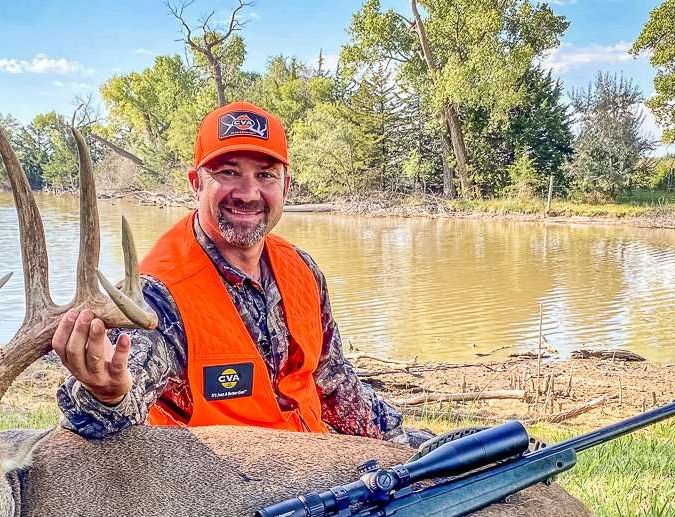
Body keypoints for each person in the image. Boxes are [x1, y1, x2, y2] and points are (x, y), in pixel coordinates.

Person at [53, 101, 432, 448]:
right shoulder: (156, 296)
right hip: (220, 498)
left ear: (286, 185)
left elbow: (332, 380)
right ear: (196, 182)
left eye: (265, 175)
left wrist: (398, 440)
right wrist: (108, 393)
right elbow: (122, 397)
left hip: (316, 472)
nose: (248, 193)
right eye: (228, 173)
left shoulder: (302, 269)